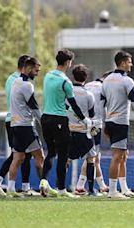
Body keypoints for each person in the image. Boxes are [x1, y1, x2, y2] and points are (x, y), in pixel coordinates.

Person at [101, 51, 134, 199]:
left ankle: (124, 188)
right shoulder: (127, 81)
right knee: (117, 156)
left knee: (123, 155)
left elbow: (101, 104)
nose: (131, 64)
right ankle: (112, 191)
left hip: (111, 122)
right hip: (120, 122)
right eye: (129, 62)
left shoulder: (106, 80)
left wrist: (104, 122)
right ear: (123, 63)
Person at [40, 49, 93, 198]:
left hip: (45, 118)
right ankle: (62, 189)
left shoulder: (47, 76)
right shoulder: (65, 82)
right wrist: (85, 120)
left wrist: (70, 109)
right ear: (68, 62)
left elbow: (61, 102)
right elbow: (74, 104)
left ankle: (43, 181)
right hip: (59, 120)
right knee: (63, 155)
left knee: (51, 152)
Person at [0, 55, 38, 197]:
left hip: (14, 120)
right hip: (17, 121)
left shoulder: (12, 79)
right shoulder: (18, 81)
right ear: (26, 66)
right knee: (18, 155)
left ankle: (23, 187)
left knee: (23, 155)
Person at [7, 57, 45, 197]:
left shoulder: (15, 82)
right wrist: (44, 123)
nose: (37, 73)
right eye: (36, 70)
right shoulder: (27, 85)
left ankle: (10, 189)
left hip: (15, 125)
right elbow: (34, 107)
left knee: (18, 157)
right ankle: (44, 186)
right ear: (28, 68)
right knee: (40, 157)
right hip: (26, 126)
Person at [66, 64, 102, 197]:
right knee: (91, 158)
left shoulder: (67, 92)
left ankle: (61, 188)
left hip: (68, 130)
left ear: (73, 76)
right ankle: (91, 190)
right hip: (83, 132)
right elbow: (92, 114)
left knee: (66, 159)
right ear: (86, 77)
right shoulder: (88, 94)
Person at [75, 71, 111, 195]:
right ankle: (83, 186)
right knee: (93, 156)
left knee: (93, 156)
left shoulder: (88, 85)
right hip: (95, 124)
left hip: (81, 123)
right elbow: (105, 108)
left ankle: (99, 185)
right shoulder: (104, 88)